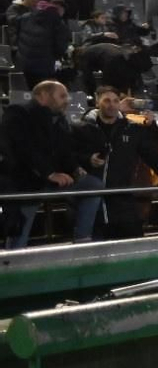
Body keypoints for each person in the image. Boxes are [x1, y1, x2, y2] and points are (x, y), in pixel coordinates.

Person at [1, 80, 106, 248]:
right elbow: (23, 149)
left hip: (52, 180)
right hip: (24, 181)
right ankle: (13, 258)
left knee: (93, 185)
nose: (67, 100)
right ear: (43, 96)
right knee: (19, 232)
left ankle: (82, 241)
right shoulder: (18, 113)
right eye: (62, 96)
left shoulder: (60, 120)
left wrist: (75, 169)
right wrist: (49, 173)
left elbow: (64, 152)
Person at [75, 85, 158, 239]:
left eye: (115, 101)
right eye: (106, 101)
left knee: (133, 242)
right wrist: (87, 159)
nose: (111, 105)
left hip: (122, 198)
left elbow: (152, 155)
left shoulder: (132, 129)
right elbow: (69, 155)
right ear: (97, 102)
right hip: (92, 200)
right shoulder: (81, 129)